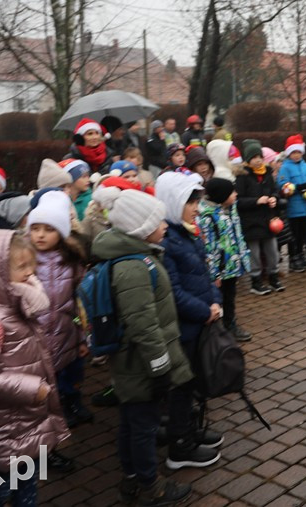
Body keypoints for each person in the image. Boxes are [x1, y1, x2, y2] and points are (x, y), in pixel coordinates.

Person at [89, 189, 194, 505]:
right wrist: (161, 366)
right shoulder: (133, 267)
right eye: (157, 220)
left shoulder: (138, 257)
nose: (164, 225)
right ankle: (151, 486)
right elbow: (143, 324)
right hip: (141, 364)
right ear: (139, 228)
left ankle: (133, 478)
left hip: (136, 363)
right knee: (143, 427)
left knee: (132, 421)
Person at [0, 230, 69, 506]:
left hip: (25, 423)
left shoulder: (20, 304)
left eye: (33, 264)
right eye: (21, 267)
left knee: (26, 487)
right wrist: (36, 388)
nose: (31, 272)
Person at [155, 172, 224, 469]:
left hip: (200, 322)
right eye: (191, 201)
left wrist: (216, 302)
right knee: (182, 386)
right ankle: (179, 447)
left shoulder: (186, 231)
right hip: (185, 327)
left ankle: (189, 430)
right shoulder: (167, 241)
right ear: (172, 202)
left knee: (193, 382)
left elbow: (205, 276)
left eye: (197, 200)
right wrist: (204, 310)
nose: (197, 207)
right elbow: (173, 291)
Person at [27, 191, 92, 438]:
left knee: (69, 376)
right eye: (35, 228)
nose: (40, 235)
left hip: (65, 334)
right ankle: (45, 441)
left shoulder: (72, 260)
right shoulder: (23, 260)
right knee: (40, 392)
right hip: (35, 340)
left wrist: (81, 336)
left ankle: (69, 406)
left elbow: (78, 305)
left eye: (48, 229)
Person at [198, 178, 253, 342]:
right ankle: (218, 329)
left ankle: (230, 323)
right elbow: (209, 248)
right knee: (219, 299)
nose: (236, 194)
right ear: (222, 195)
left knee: (230, 297)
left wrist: (242, 259)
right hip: (220, 269)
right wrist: (214, 274)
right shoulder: (208, 218)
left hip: (232, 264)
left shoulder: (231, 210)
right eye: (232, 192)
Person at [235, 139, 282, 294]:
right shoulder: (242, 176)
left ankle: (273, 277)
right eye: (254, 157)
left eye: (259, 157)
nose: (258, 160)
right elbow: (238, 200)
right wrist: (256, 201)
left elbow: (274, 190)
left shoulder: (267, 173)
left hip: (268, 219)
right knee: (254, 253)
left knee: (272, 250)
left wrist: (274, 198)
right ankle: (256, 281)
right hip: (251, 221)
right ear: (248, 159)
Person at [278, 135, 306, 272]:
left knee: (304, 234)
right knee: (294, 234)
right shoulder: (285, 168)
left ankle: (300, 255)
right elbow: (283, 185)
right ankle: (293, 258)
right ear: (289, 153)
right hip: (294, 207)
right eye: (293, 152)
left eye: (298, 152)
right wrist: (297, 188)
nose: (296, 155)